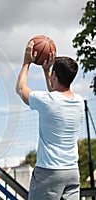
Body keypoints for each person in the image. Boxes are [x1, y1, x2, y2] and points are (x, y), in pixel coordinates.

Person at [16, 40, 84, 199]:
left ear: (55, 75)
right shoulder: (79, 102)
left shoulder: (47, 101)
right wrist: (47, 71)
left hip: (49, 172)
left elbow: (20, 88)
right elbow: (56, 93)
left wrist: (26, 62)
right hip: (72, 172)